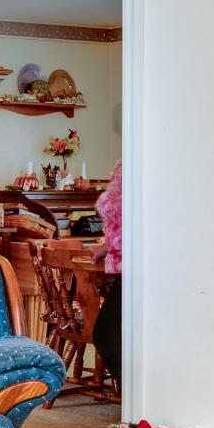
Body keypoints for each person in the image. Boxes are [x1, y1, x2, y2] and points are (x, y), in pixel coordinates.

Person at [91, 160, 122, 382]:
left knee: (107, 335)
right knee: (108, 335)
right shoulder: (128, 162)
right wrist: (106, 246)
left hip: (139, 267)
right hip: (127, 267)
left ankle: (142, 399)